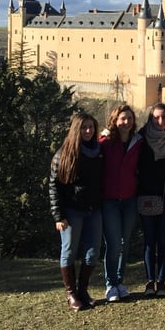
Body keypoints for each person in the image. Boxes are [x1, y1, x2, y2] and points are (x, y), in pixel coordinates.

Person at [49, 112, 104, 310]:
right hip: (72, 211)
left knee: (92, 252)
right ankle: (71, 294)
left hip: (94, 210)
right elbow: (54, 186)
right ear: (76, 129)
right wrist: (58, 215)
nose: (88, 131)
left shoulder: (98, 151)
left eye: (91, 127)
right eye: (84, 127)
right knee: (69, 251)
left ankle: (83, 290)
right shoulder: (64, 153)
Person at [137, 103, 165, 298]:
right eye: (156, 118)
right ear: (150, 119)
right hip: (146, 195)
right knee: (149, 240)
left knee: (163, 238)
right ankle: (149, 281)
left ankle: (161, 281)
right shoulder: (141, 138)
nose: (161, 121)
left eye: (164, 117)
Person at [100, 104, 142, 303]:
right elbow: (92, 148)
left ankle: (119, 282)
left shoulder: (138, 142)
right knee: (114, 244)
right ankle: (110, 284)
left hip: (129, 199)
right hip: (109, 201)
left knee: (124, 243)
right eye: (122, 119)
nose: (126, 122)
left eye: (129, 119)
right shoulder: (107, 142)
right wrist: (104, 133)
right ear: (115, 121)